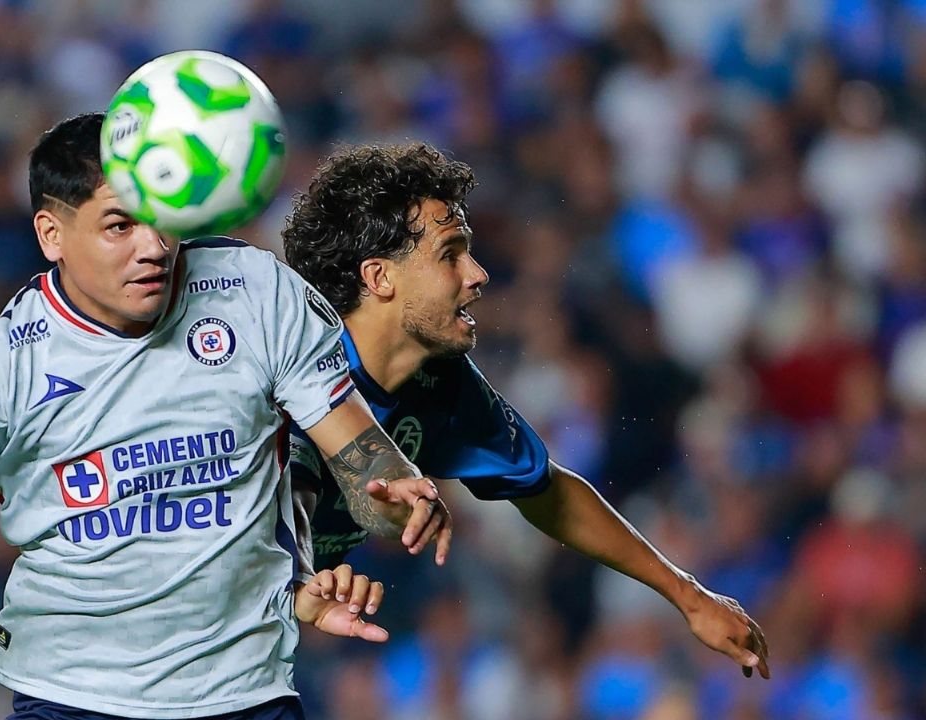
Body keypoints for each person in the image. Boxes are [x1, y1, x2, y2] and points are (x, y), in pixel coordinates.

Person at [0, 113, 452, 720]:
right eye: (119, 225)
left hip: (244, 695)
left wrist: (400, 497)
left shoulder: (256, 293)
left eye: (164, 216)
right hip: (70, 700)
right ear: (51, 235)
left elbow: (366, 467)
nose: (153, 246)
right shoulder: (2, 365)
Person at [281, 142, 772, 680]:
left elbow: (546, 492)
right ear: (380, 278)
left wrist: (689, 596)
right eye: (449, 255)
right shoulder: (283, 370)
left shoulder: (439, 379)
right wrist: (299, 580)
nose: (478, 274)